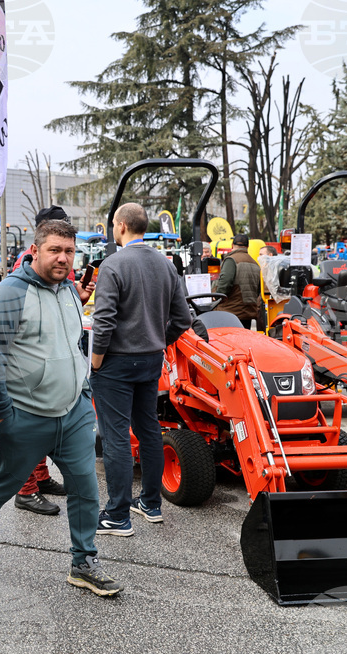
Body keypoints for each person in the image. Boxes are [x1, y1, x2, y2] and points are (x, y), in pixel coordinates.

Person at [0, 219, 123, 597]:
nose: (64, 258)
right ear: (35, 251)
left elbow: (69, 344)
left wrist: (83, 392)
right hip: (26, 414)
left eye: (69, 251)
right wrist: (2, 413)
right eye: (55, 250)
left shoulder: (68, 290)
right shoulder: (7, 294)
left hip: (74, 411)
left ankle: (83, 562)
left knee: (85, 487)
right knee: (6, 482)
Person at [90, 203, 192, 537]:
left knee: (116, 434)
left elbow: (103, 320)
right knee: (148, 429)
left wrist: (96, 360)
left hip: (116, 361)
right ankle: (150, 503)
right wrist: (159, 341)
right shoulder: (165, 265)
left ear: (120, 226)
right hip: (151, 359)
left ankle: (117, 515)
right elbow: (183, 319)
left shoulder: (113, 264)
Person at [6, 205, 85, 516]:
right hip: (32, 361)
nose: (63, 254)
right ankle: (25, 491)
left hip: (53, 356)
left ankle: (40, 478)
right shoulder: (25, 265)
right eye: (56, 243)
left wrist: (78, 295)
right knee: (28, 432)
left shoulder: (57, 258)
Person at [214, 233, 262, 329]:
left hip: (231, 311)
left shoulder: (231, 260)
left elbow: (225, 283)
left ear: (232, 245)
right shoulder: (255, 263)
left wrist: (216, 297)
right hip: (248, 312)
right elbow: (258, 289)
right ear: (247, 246)